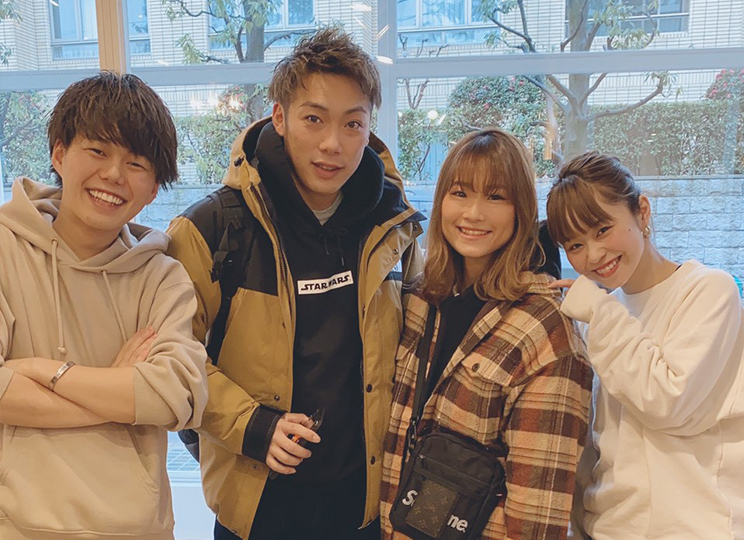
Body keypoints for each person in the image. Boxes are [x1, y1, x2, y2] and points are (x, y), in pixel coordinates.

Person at [166, 28, 424, 540]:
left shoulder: (393, 227)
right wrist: (251, 425)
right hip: (256, 509)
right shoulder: (214, 228)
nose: (333, 144)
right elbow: (171, 354)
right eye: (313, 119)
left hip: (364, 507)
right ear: (279, 118)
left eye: (353, 124)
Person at [0, 72, 208, 540]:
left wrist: (46, 371)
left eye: (136, 163)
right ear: (59, 154)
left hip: (137, 529)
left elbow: (177, 396)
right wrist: (117, 392)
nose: (114, 175)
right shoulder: (5, 250)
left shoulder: (163, 277)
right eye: (97, 151)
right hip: (16, 525)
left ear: (153, 189)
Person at [380, 128, 592, 540]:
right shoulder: (422, 299)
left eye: (495, 197)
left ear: (520, 210)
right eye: (459, 193)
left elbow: (537, 519)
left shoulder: (547, 331)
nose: (473, 213)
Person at [546, 152, 744, 540]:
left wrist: (599, 311)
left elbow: (667, 400)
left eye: (602, 230)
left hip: (695, 528)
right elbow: (598, 445)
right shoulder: (603, 314)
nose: (593, 255)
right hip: (611, 528)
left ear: (642, 211)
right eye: (575, 245)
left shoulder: (707, 290)